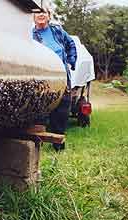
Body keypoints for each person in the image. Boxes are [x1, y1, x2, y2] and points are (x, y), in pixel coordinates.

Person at [32, 7, 77, 151]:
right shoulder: (30, 35)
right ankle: (36, 144)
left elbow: (71, 44)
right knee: (39, 110)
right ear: (33, 16)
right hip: (41, 77)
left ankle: (58, 144)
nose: (41, 15)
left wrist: (71, 61)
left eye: (44, 12)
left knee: (62, 110)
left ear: (49, 16)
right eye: (37, 12)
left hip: (62, 75)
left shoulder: (57, 31)